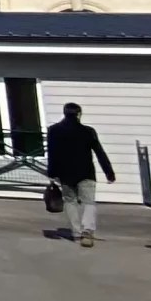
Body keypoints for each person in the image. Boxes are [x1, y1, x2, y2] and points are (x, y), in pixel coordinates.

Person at [43, 103, 114, 247]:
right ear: (79, 114)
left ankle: (76, 233)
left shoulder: (54, 131)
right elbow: (99, 152)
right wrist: (109, 172)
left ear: (64, 113)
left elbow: (52, 153)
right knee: (89, 202)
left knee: (70, 202)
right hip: (86, 172)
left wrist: (52, 173)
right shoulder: (88, 131)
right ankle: (87, 231)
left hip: (65, 173)